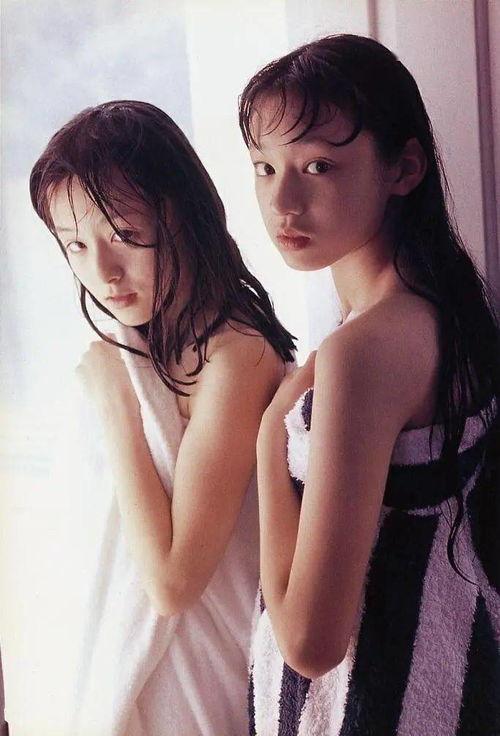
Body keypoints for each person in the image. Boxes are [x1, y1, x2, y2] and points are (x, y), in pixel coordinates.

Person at [239, 34, 500, 735]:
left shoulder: (365, 351)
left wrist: (268, 440)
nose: (282, 200)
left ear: (403, 168)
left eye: (318, 166)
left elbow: (309, 643)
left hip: (377, 703)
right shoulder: (443, 309)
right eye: (264, 167)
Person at [29, 100, 295, 735]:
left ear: (181, 216)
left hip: (204, 691)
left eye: (124, 235)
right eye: (76, 246)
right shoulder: (149, 348)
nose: (102, 272)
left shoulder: (236, 355)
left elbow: (174, 584)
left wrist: (118, 404)